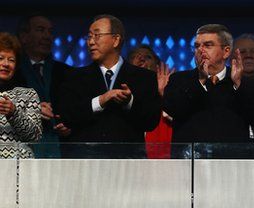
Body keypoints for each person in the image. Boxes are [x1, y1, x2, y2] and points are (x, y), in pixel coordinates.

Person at [58, 14, 161, 157]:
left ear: (116, 40)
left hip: (128, 164)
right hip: (86, 162)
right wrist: (100, 101)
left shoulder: (144, 77)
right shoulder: (74, 76)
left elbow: (151, 121)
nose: (91, 42)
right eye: (89, 37)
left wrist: (129, 102)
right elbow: (67, 115)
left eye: (97, 35)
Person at [163, 24, 254, 157]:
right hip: (191, 165)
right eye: (196, 46)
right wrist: (200, 82)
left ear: (226, 51)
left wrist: (238, 85)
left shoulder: (245, 82)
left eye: (208, 45)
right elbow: (172, 108)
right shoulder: (179, 80)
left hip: (233, 164)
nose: (200, 50)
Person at [16, 14, 71, 157]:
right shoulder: (12, 71)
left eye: (50, 32)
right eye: (40, 30)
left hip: (61, 147)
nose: (47, 36)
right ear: (24, 37)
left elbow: (73, 108)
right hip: (21, 149)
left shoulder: (66, 72)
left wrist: (68, 124)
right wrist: (33, 108)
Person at [127, 44, 174, 158]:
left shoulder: (170, 93)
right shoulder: (120, 96)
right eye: (135, 56)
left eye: (148, 57)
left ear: (157, 67)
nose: (141, 59)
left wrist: (164, 95)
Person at [0, 32, 42, 158]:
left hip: (19, 170)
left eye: (11, 60)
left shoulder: (28, 94)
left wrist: (14, 113)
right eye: (0, 58)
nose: (6, 64)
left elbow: (35, 136)